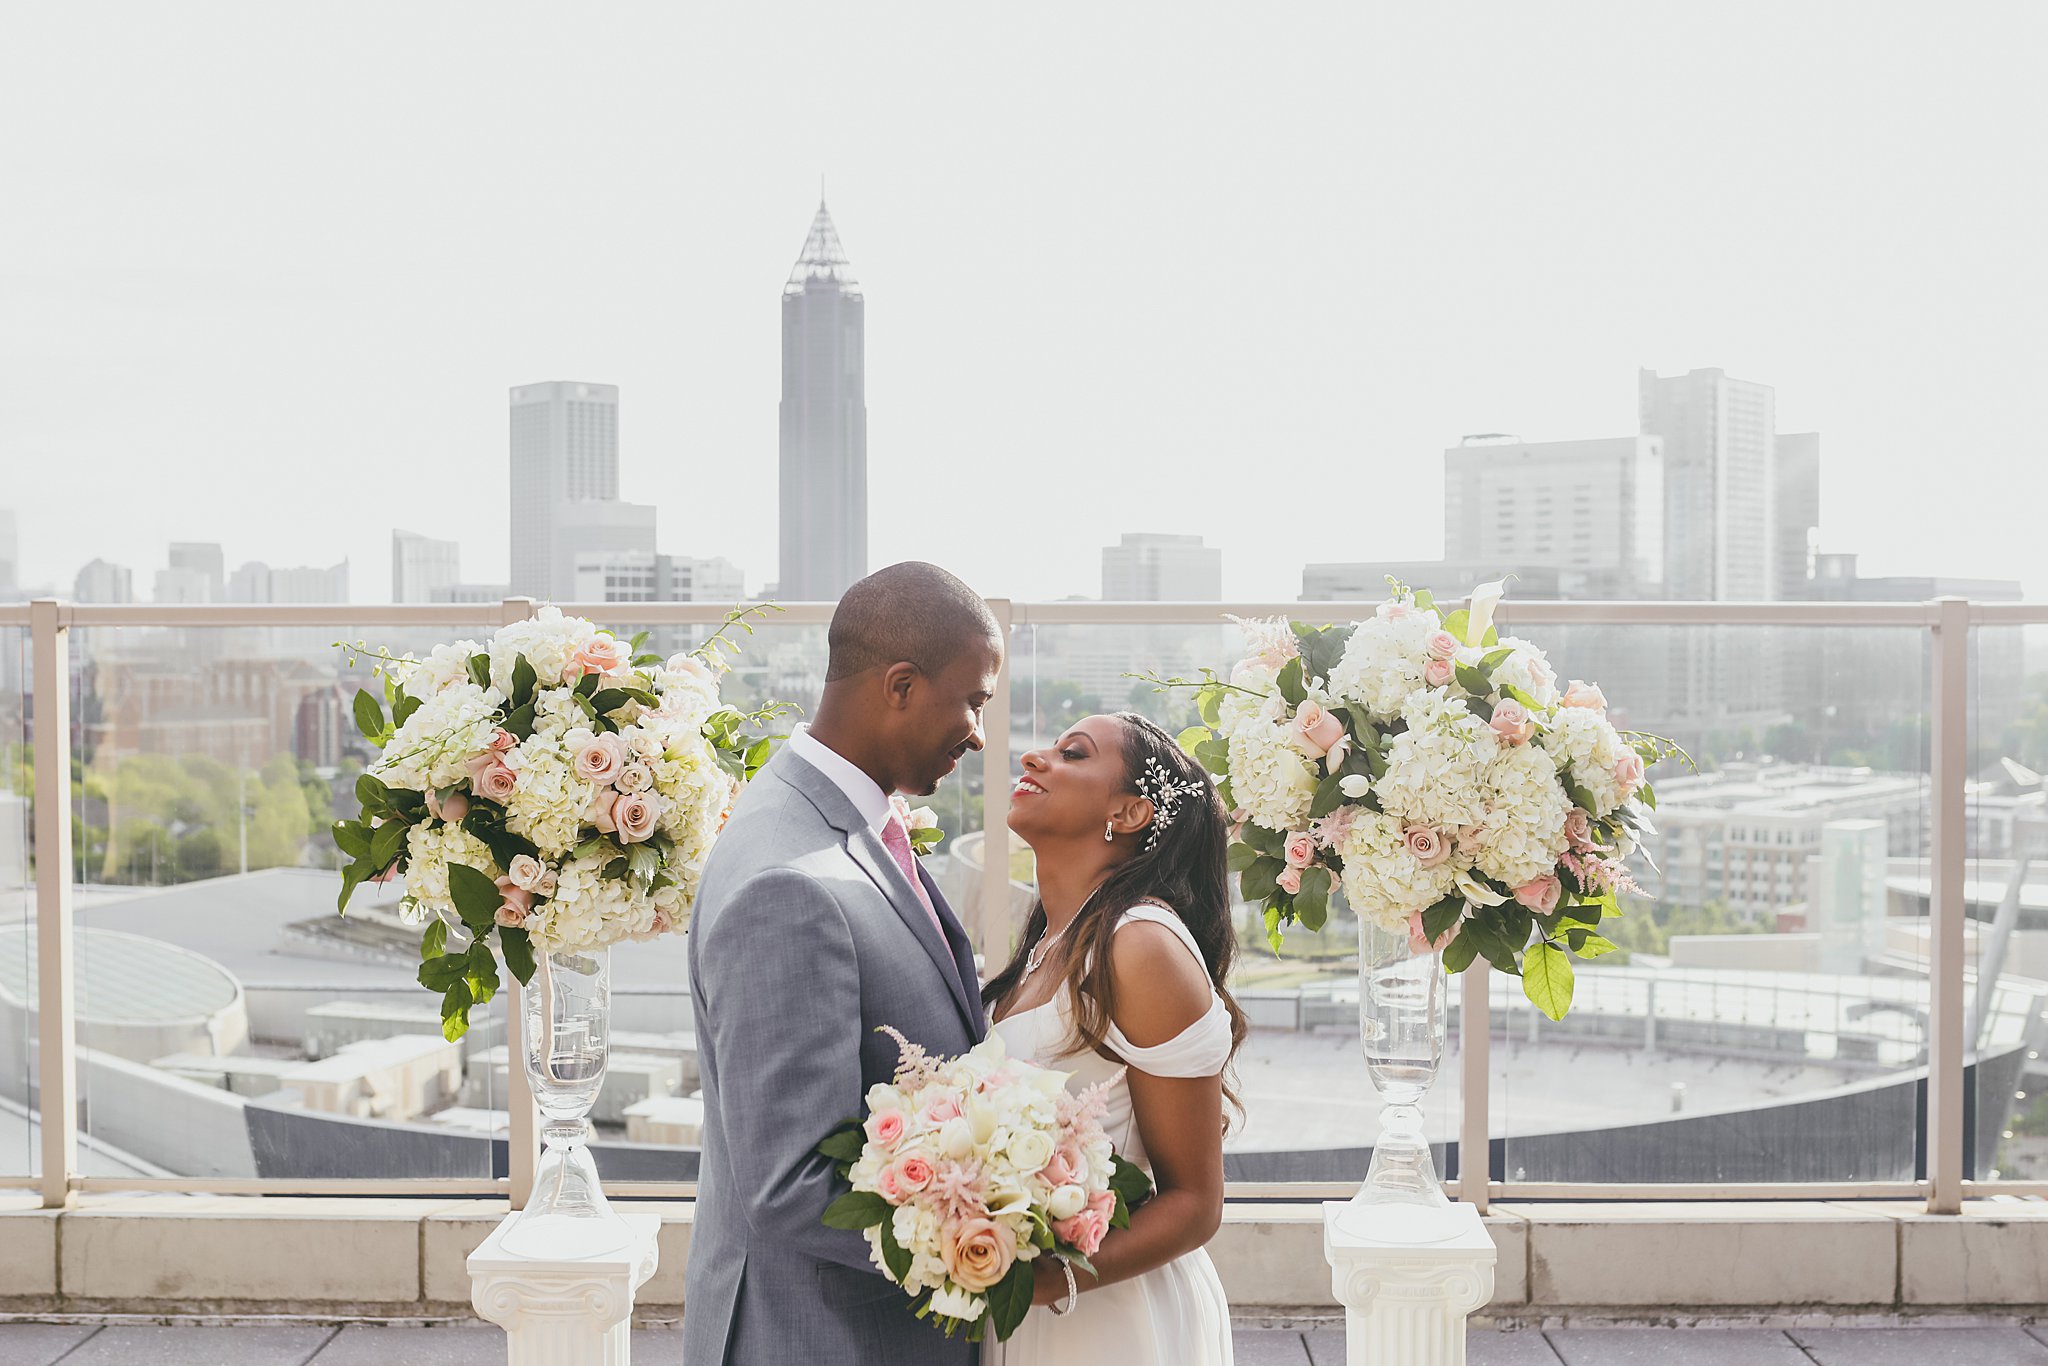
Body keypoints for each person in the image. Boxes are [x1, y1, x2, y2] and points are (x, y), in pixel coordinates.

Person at [685, 562, 1002, 1365]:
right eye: (973, 700)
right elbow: (792, 1184)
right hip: (822, 1338)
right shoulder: (788, 883)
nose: (979, 733)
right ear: (900, 685)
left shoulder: (835, 823)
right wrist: (1001, 1239)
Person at [983, 711, 1245, 1365]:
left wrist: (1051, 1278)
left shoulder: (1140, 945)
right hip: (1020, 1309)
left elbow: (1193, 1201)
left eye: (1073, 753)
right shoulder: (1045, 945)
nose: (1036, 758)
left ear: (1128, 813)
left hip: (1106, 1319)